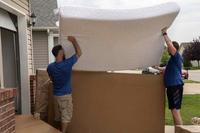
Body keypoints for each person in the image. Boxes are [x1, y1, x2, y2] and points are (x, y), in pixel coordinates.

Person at [47, 36, 82, 133]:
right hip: (65, 96)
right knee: (66, 117)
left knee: (58, 116)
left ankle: (58, 130)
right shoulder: (67, 64)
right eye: (63, 50)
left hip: (56, 96)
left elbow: (51, 79)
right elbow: (79, 53)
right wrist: (74, 41)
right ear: (60, 53)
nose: (64, 51)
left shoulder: (50, 67)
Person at [161, 27, 184, 126]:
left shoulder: (176, 56)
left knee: (175, 111)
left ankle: (181, 131)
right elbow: (165, 69)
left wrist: (164, 33)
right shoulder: (172, 60)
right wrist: (156, 68)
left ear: (173, 49)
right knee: (174, 111)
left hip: (175, 87)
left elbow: (170, 45)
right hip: (172, 87)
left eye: (168, 48)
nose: (167, 49)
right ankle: (177, 131)